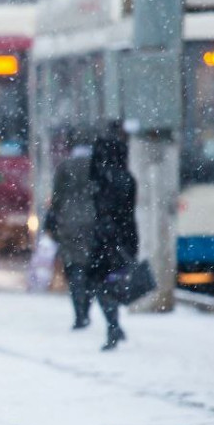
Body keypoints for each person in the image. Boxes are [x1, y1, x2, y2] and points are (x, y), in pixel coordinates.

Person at [88, 132, 138, 351]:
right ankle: (115, 324)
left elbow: (103, 210)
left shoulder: (103, 178)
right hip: (127, 235)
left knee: (102, 283)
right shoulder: (128, 177)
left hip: (107, 238)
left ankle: (113, 325)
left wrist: (106, 232)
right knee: (114, 281)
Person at [45, 129, 97, 330]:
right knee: (92, 266)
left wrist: (51, 223)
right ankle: (87, 302)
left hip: (68, 222)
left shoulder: (64, 167)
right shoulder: (98, 166)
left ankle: (79, 312)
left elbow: (56, 199)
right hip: (94, 222)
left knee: (74, 266)